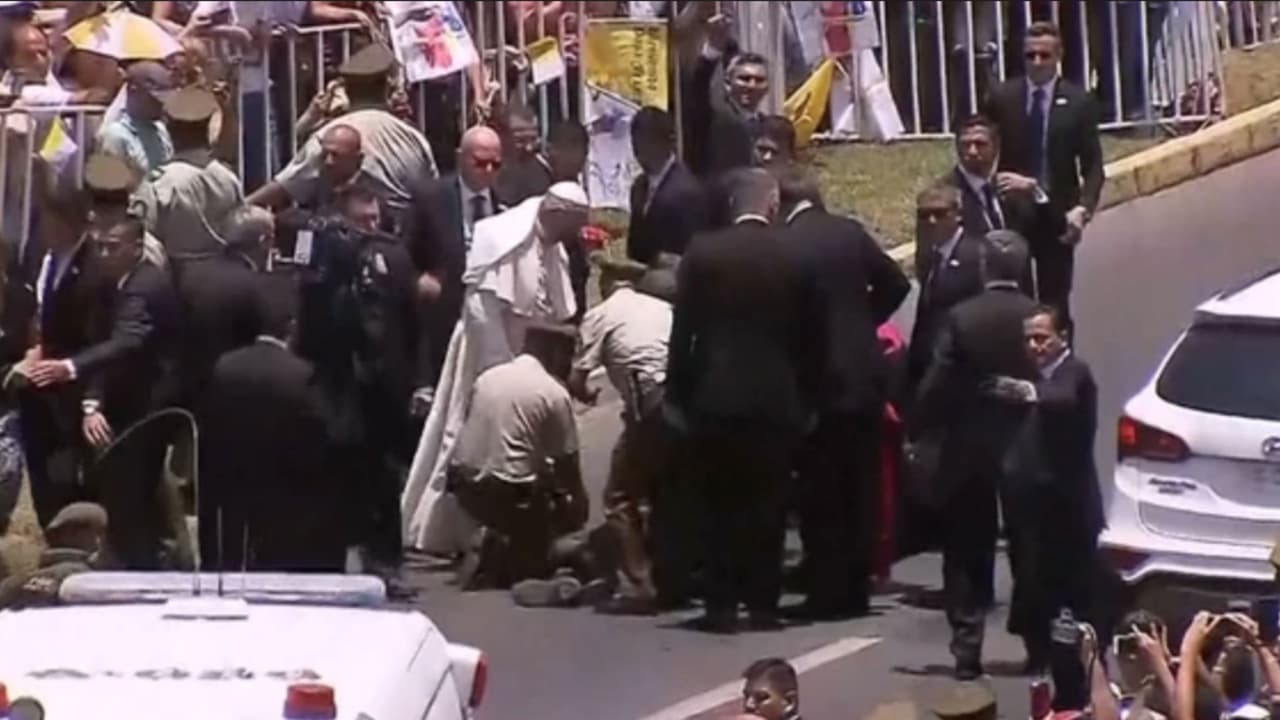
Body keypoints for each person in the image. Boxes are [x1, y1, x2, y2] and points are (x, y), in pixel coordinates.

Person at [667, 168, 818, 633]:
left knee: (717, 505)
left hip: (715, 396)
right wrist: (809, 396)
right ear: (772, 204)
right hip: (775, 397)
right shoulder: (794, 253)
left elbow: (683, 332)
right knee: (768, 506)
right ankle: (763, 603)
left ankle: (721, 602)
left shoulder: (702, 251)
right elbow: (810, 335)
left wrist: (676, 395)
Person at [402, 182, 589, 556]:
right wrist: (500, 365)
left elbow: (553, 306)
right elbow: (481, 308)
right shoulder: (501, 238)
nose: (575, 235)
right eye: (573, 224)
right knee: (465, 433)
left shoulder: (551, 244)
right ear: (557, 214)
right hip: (489, 354)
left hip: (529, 358)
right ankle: (448, 531)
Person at [777, 166, 909, 619]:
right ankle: (857, 584)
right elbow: (896, 283)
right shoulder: (849, 232)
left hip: (818, 381)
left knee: (822, 489)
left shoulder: (786, 245)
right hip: (865, 374)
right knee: (862, 483)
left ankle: (827, 589)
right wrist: (861, 323)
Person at [914, 229, 1042, 679]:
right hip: (1026, 450)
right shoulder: (1041, 317)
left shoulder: (961, 317)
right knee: (1029, 549)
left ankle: (967, 648)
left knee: (967, 549)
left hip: (968, 450)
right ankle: (1037, 642)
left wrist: (919, 427)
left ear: (984, 267)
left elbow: (936, 381)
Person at [26, 211, 181, 570]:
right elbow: (104, 345)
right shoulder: (112, 286)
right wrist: (92, 403)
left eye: (114, 247)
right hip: (122, 403)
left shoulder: (145, 286)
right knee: (129, 495)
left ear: (137, 247)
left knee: (138, 496)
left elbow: (128, 341)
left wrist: (69, 367)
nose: (105, 255)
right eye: (101, 247)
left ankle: (146, 567)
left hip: (148, 408)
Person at [198, 276, 344, 572]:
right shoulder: (303, 375)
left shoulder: (224, 367)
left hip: (234, 492)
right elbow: (321, 437)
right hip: (288, 499)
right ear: (292, 326)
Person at [981, 21, 1104, 334]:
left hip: (1057, 215)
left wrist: (1083, 209)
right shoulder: (1003, 98)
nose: (1037, 62)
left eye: (1044, 56)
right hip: (1015, 215)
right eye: (1030, 55)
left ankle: (1060, 358)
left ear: (1058, 56)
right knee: (1016, 301)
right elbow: (981, 146)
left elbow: (1093, 166)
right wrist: (996, 180)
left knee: (1055, 303)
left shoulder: (1078, 103)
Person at [567, 257, 672, 614]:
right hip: (684, 400)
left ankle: (640, 585)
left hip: (649, 402)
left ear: (605, 284)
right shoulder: (660, 308)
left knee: (619, 496)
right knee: (668, 486)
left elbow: (578, 379)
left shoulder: (601, 314)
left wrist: (586, 395)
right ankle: (677, 574)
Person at [448, 322, 586, 587]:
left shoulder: (487, 377)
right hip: (510, 493)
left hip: (464, 486)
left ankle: (491, 538)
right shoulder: (553, 392)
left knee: (527, 475)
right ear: (554, 353)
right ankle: (523, 556)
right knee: (558, 517)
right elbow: (567, 462)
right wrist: (578, 504)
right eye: (568, 354)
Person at [249, 43, 438, 215]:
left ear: (347, 90)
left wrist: (242, 207)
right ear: (386, 89)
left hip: (351, 234)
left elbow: (284, 186)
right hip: (407, 234)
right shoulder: (413, 136)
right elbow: (433, 191)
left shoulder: (334, 135)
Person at [404, 125, 505, 391]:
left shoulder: (506, 202)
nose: (488, 171)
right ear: (461, 158)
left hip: (491, 317)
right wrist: (418, 280)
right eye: (480, 163)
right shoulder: (430, 199)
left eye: (496, 164)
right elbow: (405, 254)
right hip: (444, 316)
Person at [171, 204, 268, 410]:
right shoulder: (256, 287)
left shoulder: (187, 273)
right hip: (232, 395)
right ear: (263, 241)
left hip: (182, 389)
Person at [134, 86, 244, 265]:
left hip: (175, 275)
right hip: (222, 272)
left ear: (169, 128)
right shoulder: (228, 179)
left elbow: (146, 242)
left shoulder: (160, 185)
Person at [907, 184, 984, 396]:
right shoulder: (930, 256)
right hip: (929, 362)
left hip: (960, 368)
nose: (931, 221)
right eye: (924, 215)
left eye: (940, 213)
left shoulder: (977, 256)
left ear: (958, 215)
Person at [940, 115, 1050, 244]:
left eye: (980, 144)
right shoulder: (944, 193)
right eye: (966, 145)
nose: (972, 151)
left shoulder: (1012, 188)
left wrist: (1034, 191)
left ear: (996, 147)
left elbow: (1049, 231)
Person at [626, 106, 710, 265]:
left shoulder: (686, 192)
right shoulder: (639, 187)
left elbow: (692, 250)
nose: (639, 152)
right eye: (635, 144)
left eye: (646, 143)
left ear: (666, 143)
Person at [693, 15, 769, 178]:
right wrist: (712, 50)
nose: (751, 86)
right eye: (744, 79)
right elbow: (698, 88)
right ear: (728, 82)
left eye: (759, 80)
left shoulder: (768, 127)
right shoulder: (715, 118)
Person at [0, 501, 106, 609]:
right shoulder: (89, 578)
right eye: (96, 532)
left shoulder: (12, 585)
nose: (99, 540)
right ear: (71, 533)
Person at [96, 60, 176, 176]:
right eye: (154, 99)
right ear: (133, 91)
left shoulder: (161, 130)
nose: (161, 104)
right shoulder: (116, 135)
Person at [492, 103, 551, 209]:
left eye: (533, 139)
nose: (529, 148)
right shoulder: (484, 172)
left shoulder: (546, 173)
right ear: (500, 136)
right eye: (520, 141)